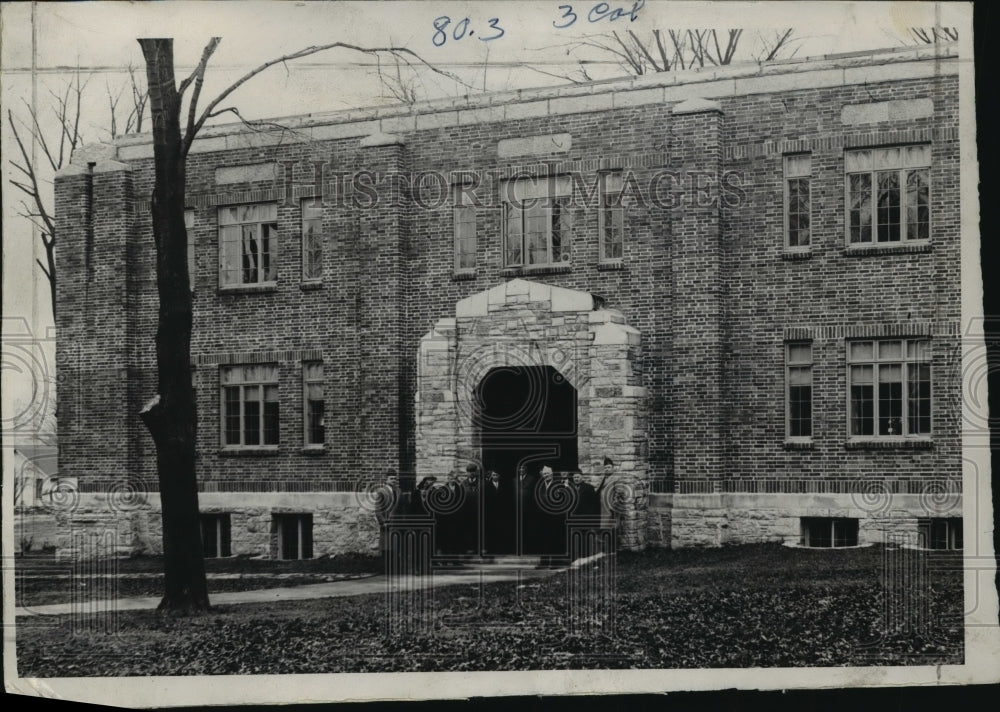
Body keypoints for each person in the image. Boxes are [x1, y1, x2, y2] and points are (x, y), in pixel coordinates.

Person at [482, 469, 507, 556]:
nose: (495, 476)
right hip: (490, 513)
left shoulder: (503, 485)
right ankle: (490, 549)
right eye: (493, 475)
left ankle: (500, 549)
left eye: (496, 475)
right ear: (491, 476)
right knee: (490, 530)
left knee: (500, 530)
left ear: (499, 476)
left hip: (501, 512)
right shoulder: (486, 486)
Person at [515, 464, 538, 556]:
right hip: (517, 511)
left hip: (529, 510)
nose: (521, 470)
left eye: (523, 468)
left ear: (526, 469)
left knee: (528, 529)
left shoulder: (532, 479)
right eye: (519, 468)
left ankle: (529, 549)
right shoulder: (514, 480)